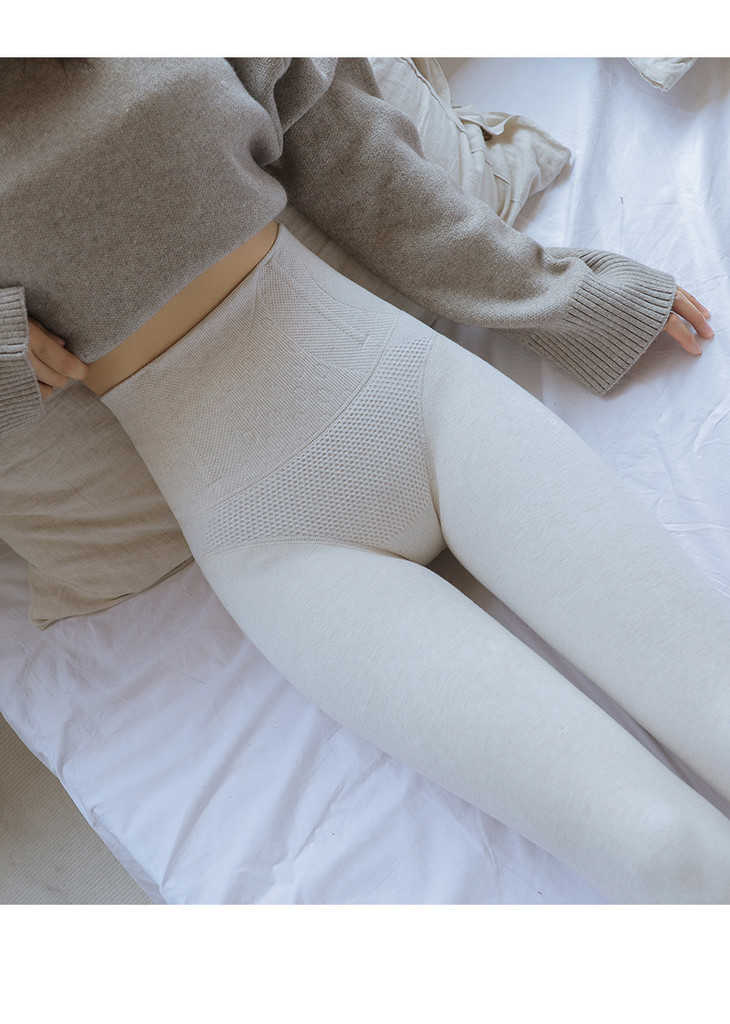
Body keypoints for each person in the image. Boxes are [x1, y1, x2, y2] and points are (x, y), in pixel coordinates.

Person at [2, 56, 729, 904]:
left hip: (421, 402)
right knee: (662, 854)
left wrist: (556, 295)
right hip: (274, 541)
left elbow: (364, 168)